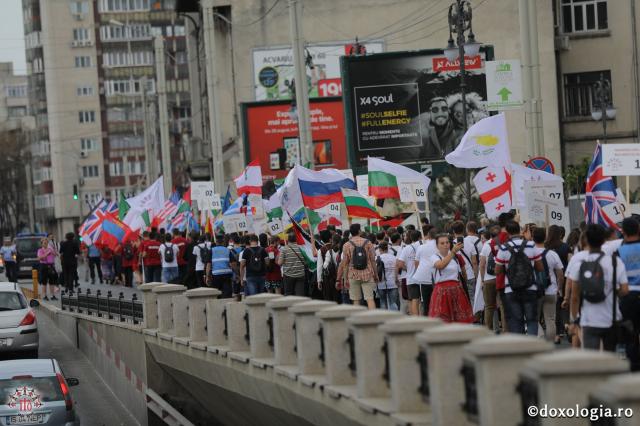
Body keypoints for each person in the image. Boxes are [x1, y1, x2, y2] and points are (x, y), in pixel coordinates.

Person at [570, 224, 629, 352]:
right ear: (603, 240)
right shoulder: (615, 262)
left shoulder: (579, 263)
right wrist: (610, 290)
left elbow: (574, 297)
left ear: (585, 240)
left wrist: (575, 319)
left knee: (592, 360)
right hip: (611, 318)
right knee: (610, 356)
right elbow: (625, 290)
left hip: (589, 319)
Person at [495, 220, 544, 335]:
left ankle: (521, 349)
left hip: (511, 289)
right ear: (520, 230)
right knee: (532, 320)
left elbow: (498, 271)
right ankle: (532, 348)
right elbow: (540, 267)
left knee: (516, 321)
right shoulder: (531, 245)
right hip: (530, 288)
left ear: (507, 232)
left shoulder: (503, 248)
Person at [429, 234, 474, 323]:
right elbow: (440, 265)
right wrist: (452, 252)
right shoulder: (434, 257)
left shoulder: (455, 257)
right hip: (442, 292)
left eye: (447, 242)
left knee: (460, 319)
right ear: (437, 246)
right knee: (443, 319)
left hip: (456, 290)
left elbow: (462, 272)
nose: (445, 245)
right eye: (442, 243)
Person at [532, 227, 564, 342]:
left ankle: (540, 338)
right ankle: (550, 344)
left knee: (534, 319)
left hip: (535, 290)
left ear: (532, 238)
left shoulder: (530, 253)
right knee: (550, 319)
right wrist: (559, 288)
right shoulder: (552, 254)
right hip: (551, 290)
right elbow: (560, 273)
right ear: (545, 238)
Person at [337, 223, 379, 309]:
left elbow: (345, 264)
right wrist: (376, 274)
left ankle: (358, 320)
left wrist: (345, 279)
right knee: (370, 299)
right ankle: (374, 319)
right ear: (359, 231)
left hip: (353, 275)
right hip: (367, 274)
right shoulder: (368, 243)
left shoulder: (346, 245)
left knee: (356, 300)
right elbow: (373, 260)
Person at [617, 217, 640, 368]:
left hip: (627, 296)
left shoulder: (618, 251)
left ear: (623, 231)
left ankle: (634, 365)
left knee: (630, 332)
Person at [479, 225, 503, 331]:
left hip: (489, 280)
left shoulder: (486, 245)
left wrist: (483, 280)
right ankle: (505, 330)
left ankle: (488, 330)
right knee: (502, 306)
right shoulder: (504, 243)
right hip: (501, 278)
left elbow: (482, 264)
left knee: (489, 306)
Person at [411, 228, 438, 315]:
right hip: (438, 277)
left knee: (426, 303)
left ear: (428, 236)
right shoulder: (440, 246)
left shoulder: (421, 247)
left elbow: (416, 263)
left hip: (423, 278)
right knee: (438, 302)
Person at [397, 230, 424, 315]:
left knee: (414, 300)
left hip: (411, 278)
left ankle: (415, 319)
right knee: (422, 301)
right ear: (420, 237)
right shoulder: (423, 246)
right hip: (423, 278)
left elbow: (400, 264)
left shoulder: (406, 248)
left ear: (410, 238)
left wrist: (408, 268)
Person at [377, 242, 399, 310]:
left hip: (381, 283)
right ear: (387, 248)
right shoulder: (394, 258)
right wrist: (396, 279)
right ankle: (394, 318)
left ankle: (384, 318)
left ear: (380, 249)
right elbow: (396, 269)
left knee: (383, 302)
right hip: (393, 283)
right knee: (393, 302)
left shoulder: (377, 258)